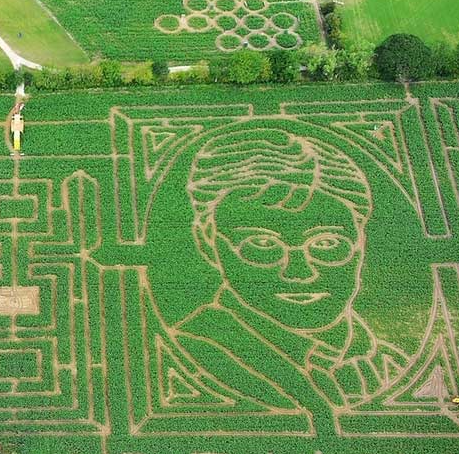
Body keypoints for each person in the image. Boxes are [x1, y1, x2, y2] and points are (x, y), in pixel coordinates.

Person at [162, 129, 407, 417]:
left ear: (360, 241)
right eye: (263, 244)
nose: (300, 273)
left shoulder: (388, 361)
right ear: (208, 241)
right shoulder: (201, 351)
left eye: (327, 243)